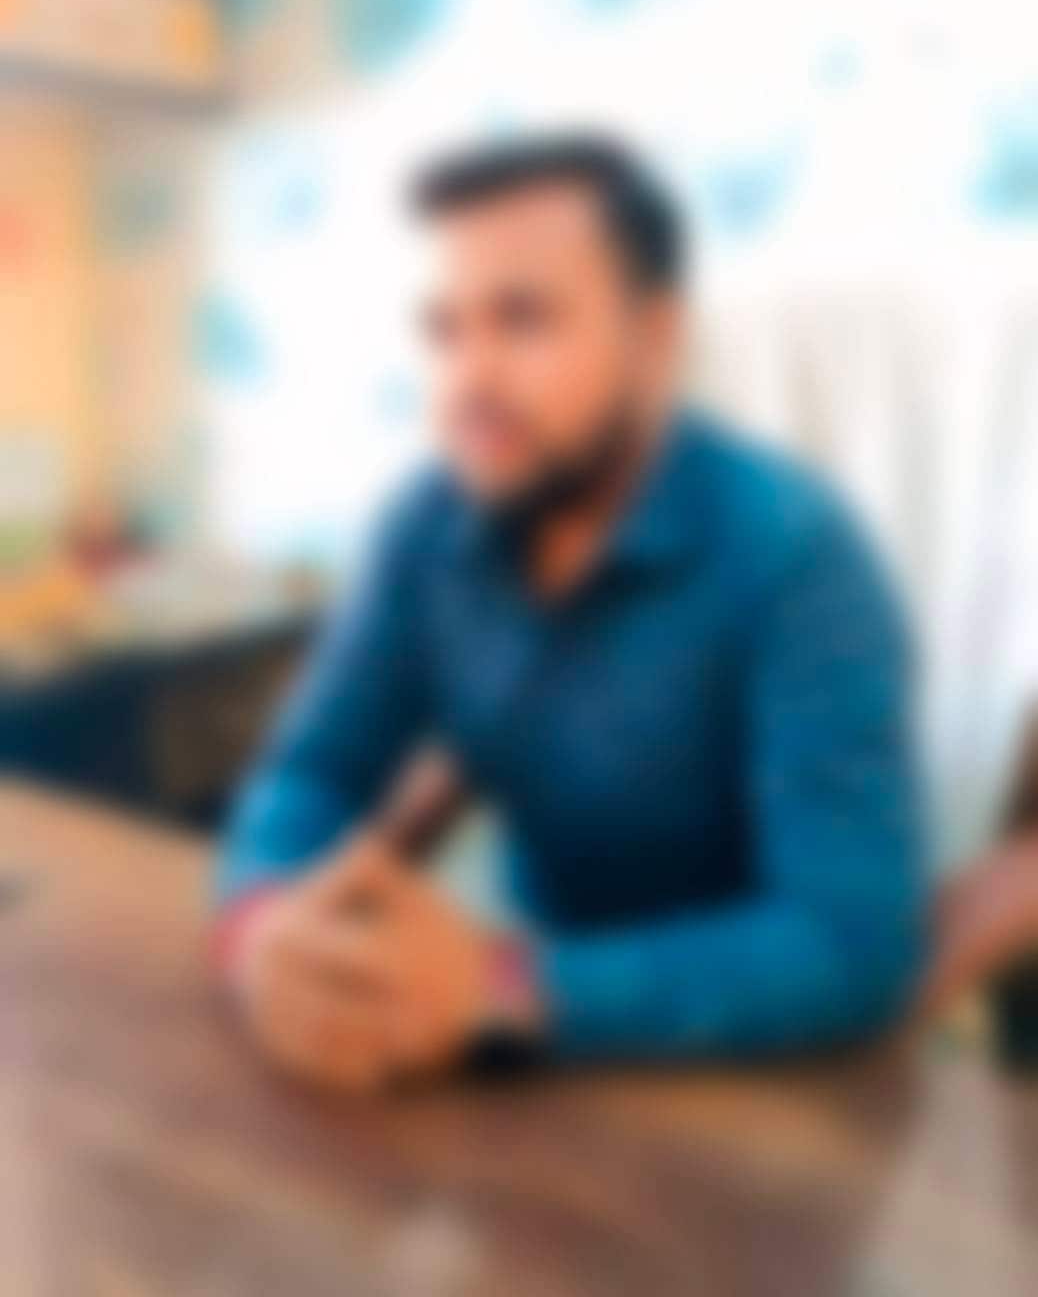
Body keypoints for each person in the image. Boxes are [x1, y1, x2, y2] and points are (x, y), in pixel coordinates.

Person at [214, 135, 927, 1090]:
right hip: (526, 1063)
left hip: (760, 1072)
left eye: (522, 320)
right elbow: (314, 770)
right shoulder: (427, 525)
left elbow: (849, 940)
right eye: (443, 332)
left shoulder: (796, 556)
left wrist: (504, 983)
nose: (468, 379)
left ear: (656, 335)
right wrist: (260, 926)